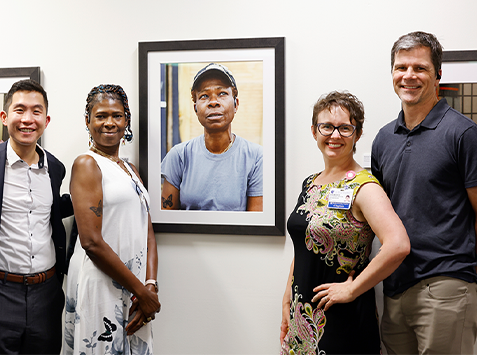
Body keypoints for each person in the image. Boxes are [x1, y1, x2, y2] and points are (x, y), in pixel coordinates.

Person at [371, 31, 477, 354]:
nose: (409, 76)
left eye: (420, 68)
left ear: (438, 75)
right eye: (401, 67)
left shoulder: (463, 133)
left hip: (446, 288)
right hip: (395, 289)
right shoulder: (383, 139)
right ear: (392, 74)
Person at [280, 91, 410, 354]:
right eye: (326, 126)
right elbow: (304, 244)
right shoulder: (310, 183)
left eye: (345, 128)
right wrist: (287, 296)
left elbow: (398, 245)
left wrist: (352, 289)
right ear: (315, 131)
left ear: (357, 134)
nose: (334, 135)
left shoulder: (364, 186)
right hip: (301, 310)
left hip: (342, 317)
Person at [0, 79, 73, 354]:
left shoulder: (56, 168)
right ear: (5, 117)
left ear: (46, 120)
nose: (28, 119)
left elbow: (52, 215)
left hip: (47, 294)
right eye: (20, 110)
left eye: (36, 111)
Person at [63, 84, 161, 355]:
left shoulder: (130, 169)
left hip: (136, 287)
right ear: (88, 121)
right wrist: (141, 292)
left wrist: (149, 286)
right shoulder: (87, 164)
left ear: (126, 120)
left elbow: (148, 231)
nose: (109, 122)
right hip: (101, 284)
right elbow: (91, 242)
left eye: (117, 115)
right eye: (101, 115)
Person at [161, 63, 263, 211]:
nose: (214, 102)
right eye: (204, 96)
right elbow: (167, 220)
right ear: (195, 108)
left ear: (236, 104)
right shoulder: (179, 156)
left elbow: (256, 224)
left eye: (222, 93)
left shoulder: (256, 157)